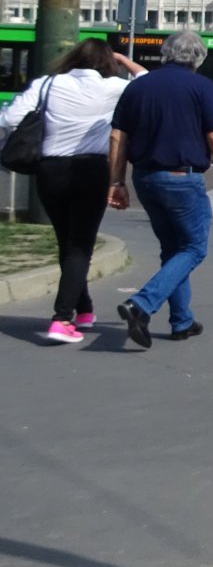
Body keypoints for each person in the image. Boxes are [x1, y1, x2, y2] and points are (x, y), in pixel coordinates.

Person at [0, 40, 146, 344]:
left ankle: (84, 309)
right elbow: (146, 78)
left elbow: (10, 119)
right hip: (91, 170)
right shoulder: (114, 87)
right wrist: (123, 59)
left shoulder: (48, 83)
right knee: (80, 245)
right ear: (108, 62)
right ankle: (62, 318)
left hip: (50, 170)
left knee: (66, 239)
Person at [107, 29, 213, 347]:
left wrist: (116, 182)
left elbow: (117, 137)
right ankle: (140, 305)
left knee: (173, 250)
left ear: (165, 54)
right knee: (194, 248)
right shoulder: (201, 87)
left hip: (145, 178)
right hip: (182, 179)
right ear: (198, 58)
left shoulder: (138, 87)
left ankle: (181, 321)